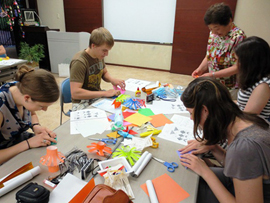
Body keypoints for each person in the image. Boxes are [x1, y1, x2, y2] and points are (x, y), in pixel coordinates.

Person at [179, 77, 270, 203]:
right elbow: (242, 168)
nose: (191, 118)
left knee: (186, 188)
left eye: (191, 113)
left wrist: (206, 172)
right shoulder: (248, 119)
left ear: (205, 111)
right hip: (244, 187)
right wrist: (215, 148)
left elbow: (242, 160)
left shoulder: (243, 147)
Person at [0, 65, 59, 165]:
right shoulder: (1, 107)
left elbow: (32, 112)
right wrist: (28, 144)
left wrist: (35, 125)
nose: (44, 110)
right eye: (41, 106)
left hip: (19, 142)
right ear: (27, 98)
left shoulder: (23, 88)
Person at [191, 3, 246, 99]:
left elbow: (238, 66)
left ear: (229, 21)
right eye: (210, 28)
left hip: (230, 86)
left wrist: (212, 75)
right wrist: (200, 69)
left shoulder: (238, 37)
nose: (213, 32)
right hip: (215, 82)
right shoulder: (213, 34)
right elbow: (209, 55)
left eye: (217, 28)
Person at [70, 27, 126, 111]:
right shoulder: (79, 62)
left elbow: (104, 72)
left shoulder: (98, 55)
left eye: (108, 51)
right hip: (81, 101)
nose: (106, 54)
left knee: (119, 107)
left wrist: (112, 80)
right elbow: (75, 93)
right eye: (104, 50)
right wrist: (104, 93)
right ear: (93, 46)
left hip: (96, 96)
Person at [235, 36, 270, 120]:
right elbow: (242, 105)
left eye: (239, 60)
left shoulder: (263, 85)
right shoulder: (253, 78)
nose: (237, 64)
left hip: (254, 128)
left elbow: (248, 116)